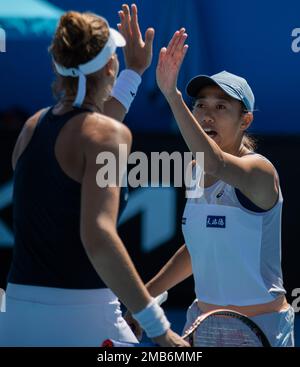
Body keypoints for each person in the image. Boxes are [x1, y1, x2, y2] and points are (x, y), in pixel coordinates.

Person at [0, 5, 189, 347]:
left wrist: (135, 71)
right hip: (83, 319)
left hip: (16, 316)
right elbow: (98, 238)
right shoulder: (107, 136)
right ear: (109, 65)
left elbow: (88, 131)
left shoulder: (32, 127)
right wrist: (160, 329)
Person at [125, 29, 295, 346]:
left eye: (221, 107)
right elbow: (198, 250)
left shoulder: (259, 170)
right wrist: (144, 299)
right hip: (201, 327)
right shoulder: (194, 171)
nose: (206, 115)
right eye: (200, 105)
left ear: (245, 121)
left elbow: (216, 163)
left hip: (262, 330)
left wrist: (172, 95)